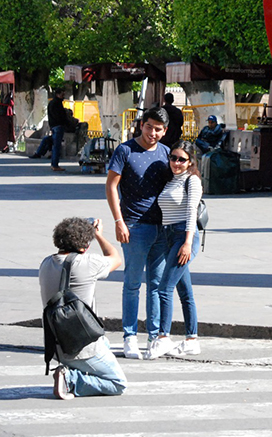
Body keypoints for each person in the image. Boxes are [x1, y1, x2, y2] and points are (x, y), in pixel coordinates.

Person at [106, 107, 171, 360]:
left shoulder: (167, 154)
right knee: (132, 283)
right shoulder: (125, 150)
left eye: (158, 129)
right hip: (134, 225)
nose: (152, 133)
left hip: (162, 228)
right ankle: (129, 336)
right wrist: (118, 221)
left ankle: (154, 336)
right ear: (141, 124)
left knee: (156, 285)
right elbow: (111, 186)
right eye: (149, 126)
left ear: (164, 132)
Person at [39, 217, 126, 399]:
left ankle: (69, 368)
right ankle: (70, 378)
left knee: (106, 342)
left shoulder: (46, 263)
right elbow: (116, 258)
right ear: (84, 246)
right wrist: (98, 235)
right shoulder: (88, 263)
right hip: (82, 346)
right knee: (117, 384)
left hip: (57, 344)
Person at [147, 140, 202, 359]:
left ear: (190, 162)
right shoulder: (172, 180)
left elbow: (191, 213)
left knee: (164, 288)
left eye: (182, 159)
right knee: (184, 292)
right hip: (169, 236)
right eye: (173, 158)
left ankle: (163, 337)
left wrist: (187, 243)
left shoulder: (192, 181)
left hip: (184, 237)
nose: (176, 163)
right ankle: (192, 339)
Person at [31, 88, 69, 170]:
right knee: (56, 146)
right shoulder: (57, 104)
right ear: (57, 94)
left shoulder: (52, 103)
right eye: (62, 94)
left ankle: (40, 153)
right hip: (58, 126)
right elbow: (60, 116)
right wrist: (65, 122)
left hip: (54, 126)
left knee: (51, 141)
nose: (63, 96)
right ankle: (55, 165)